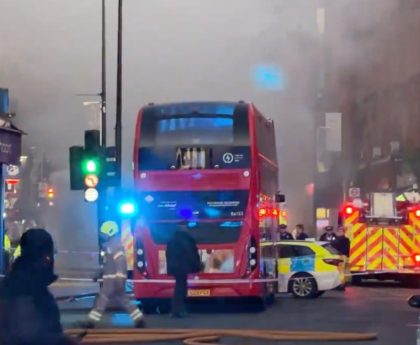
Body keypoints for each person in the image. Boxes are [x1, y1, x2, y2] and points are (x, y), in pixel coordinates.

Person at [0, 228, 77, 345]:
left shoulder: (20, 281)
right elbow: (27, 335)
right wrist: (63, 341)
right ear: (45, 257)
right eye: (50, 254)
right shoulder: (26, 287)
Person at [83, 221, 144, 328]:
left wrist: (119, 278)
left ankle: (91, 322)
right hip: (113, 279)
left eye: (104, 232)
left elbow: (120, 263)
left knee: (102, 300)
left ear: (110, 232)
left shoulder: (114, 246)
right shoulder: (111, 246)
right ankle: (139, 319)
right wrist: (99, 274)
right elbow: (106, 264)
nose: (102, 235)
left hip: (111, 280)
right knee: (124, 300)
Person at [166, 223, 200, 318]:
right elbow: (191, 254)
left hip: (175, 267)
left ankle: (177, 310)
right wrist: (196, 265)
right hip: (183, 267)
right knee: (181, 288)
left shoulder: (172, 239)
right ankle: (177, 310)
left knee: (179, 287)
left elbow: (168, 254)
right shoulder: (186, 239)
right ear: (183, 227)